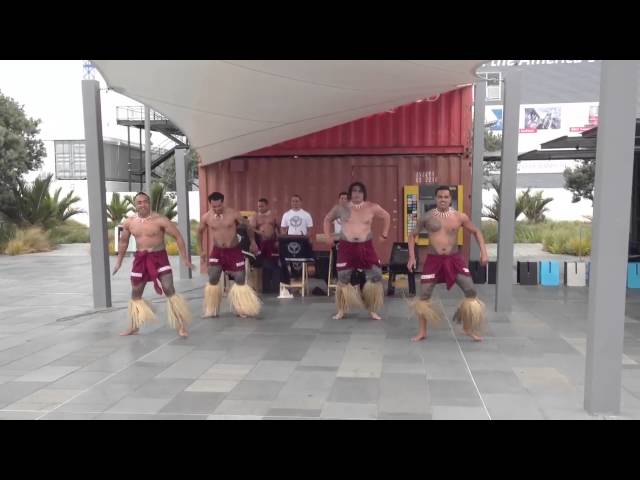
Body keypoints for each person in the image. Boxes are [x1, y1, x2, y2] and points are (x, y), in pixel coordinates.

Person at [407, 186, 488, 342]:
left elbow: (476, 232)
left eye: (446, 197)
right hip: (433, 259)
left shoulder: (460, 217)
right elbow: (412, 236)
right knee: (423, 295)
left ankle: (467, 327)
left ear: (450, 199)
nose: (442, 199)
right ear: (435, 198)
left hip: (454, 259)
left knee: (470, 290)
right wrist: (411, 257)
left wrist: (483, 252)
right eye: (439, 197)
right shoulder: (427, 217)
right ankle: (422, 331)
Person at [113, 191, 193, 338]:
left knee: (169, 288)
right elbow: (123, 242)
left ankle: (181, 325)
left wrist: (184, 258)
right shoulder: (129, 222)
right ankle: (134, 326)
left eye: (145, 201)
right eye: (139, 202)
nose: (143, 204)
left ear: (149, 203)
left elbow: (178, 237)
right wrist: (118, 262)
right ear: (135, 205)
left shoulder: (160, 220)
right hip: (140, 259)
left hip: (159, 257)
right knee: (135, 293)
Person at [323, 181, 391, 320]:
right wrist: (327, 236)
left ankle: (372, 309)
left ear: (364, 193)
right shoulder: (341, 208)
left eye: (359, 191)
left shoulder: (372, 207)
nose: (356, 193)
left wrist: (384, 234)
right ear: (350, 193)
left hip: (366, 246)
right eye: (354, 191)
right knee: (343, 277)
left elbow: (387, 216)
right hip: (346, 247)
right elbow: (327, 219)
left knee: (376, 275)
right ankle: (341, 310)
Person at [198, 192, 261, 318]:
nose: (217, 209)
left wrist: (253, 242)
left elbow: (248, 227)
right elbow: (199, 232)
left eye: (219, 206)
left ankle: (241, 308)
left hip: (233, 250)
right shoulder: (206, 217)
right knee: (213, 277)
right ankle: (212, 309)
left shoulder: (233, 214)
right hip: (217, 251)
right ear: (210, 204)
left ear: (223, 202)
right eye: (214, 207)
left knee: (239, 278)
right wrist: (201, 251)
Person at [279, 194, 314, 284]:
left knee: (301, 262)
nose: (295, 203)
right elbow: (283, 228)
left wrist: (308, 239)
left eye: (297, 201)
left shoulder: (306, 215)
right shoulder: (286, 215)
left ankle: (300, 280)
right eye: (293, 201)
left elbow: (310, 230)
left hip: (302, 242)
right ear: (291, 203)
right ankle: (292, 280)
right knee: (290, 261)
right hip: (290, 242)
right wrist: (284, 236)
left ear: (301, 202)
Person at [249, 198, 280, 292]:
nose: (260, 208)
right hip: (261, 244)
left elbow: (279, 229)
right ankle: (265, 288)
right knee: (265, 265)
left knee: (274, 264)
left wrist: (279, 241)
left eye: (262, 206)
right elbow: (250, 229)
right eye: (258, 206)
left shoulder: (274, 215)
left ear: (267, 205)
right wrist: (254, 240)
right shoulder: (255, 217)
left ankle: (275, 287)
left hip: (273, 243)